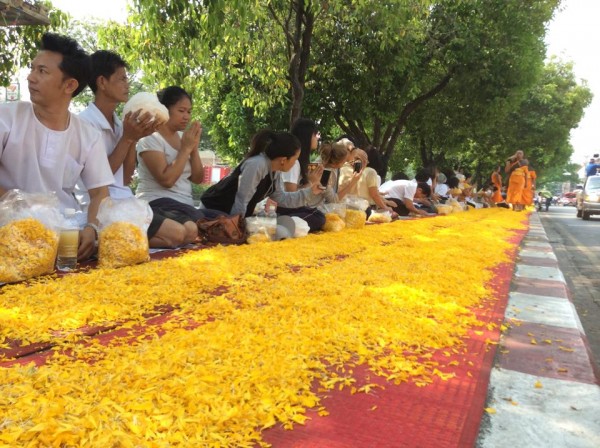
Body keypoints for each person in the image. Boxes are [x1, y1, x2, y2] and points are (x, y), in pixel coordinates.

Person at [0, 33, 113, 260]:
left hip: (62, 229)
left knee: (124, 230)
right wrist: (24, 216)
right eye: (32, 69)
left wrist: (92, 227)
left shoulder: (87, 134)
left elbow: (100, 192)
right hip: (8, 225)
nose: (31, 78)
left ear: (70, 85)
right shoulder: (6, 117)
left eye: (42, 71)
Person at [78, 52, 190, 249]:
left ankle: (111, 240)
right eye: (121, 79)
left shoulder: (121, 124)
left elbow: (125, 177)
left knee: (189, 232)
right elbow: (100, 179)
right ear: (102, 82)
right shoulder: (85, 124)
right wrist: (128, 138)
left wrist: (133, 138)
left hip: (124, 202)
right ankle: (103, 239)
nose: (127, 85)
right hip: (101, 208)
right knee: (178, 234)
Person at [136, 86, 221, 246]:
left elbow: (197, 178)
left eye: (189, 112)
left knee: (225, 220)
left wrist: (193, 149)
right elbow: (166, 180)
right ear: (164, 110)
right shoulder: (150, 138)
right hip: (158, 203)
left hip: (184, 206)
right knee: (198, 225)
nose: (186, 117)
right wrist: (185, 149)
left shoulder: (184, 138)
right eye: (181, 111)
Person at [200, 129, 323, 219]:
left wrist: (310, 192)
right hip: (214, 210)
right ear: (283, 160)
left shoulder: (275, 171)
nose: (296, 162)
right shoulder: (257, 164)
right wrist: (238, 228)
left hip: (233, 214)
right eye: (295, 158)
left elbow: (282, 199)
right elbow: (241, 200)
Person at [277, 141, 347, 231]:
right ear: (335, 164)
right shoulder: (322, 172)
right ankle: (284, 221)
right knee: (320, 217)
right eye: (344, 162)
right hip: (301, 207)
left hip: (300, 205)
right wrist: (354, 180)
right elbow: (333, 199)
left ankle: (286, 221)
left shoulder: (319, 165)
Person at [338, 148, 394, 215]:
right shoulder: (370, 171)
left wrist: (386, 201)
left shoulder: (339, 169)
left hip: (340, 209)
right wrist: (386, 208)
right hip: (360, 211)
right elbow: (374, 194)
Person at [282, 118, 320, 192]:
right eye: (315, 135)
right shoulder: (293, 162)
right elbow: (290, 196)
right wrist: (311, 182)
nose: (317, 138)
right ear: (307, 137)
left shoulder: (300, 161)